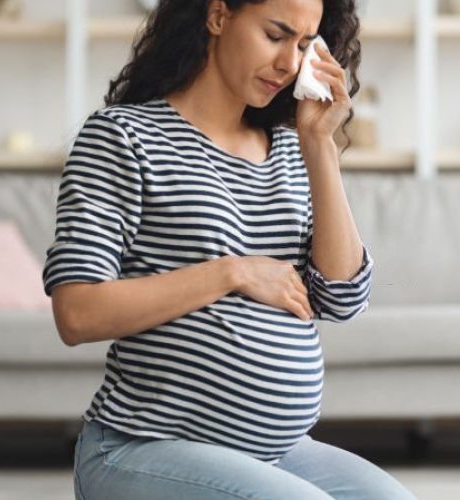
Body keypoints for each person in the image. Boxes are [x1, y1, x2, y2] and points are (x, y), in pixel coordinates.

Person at [43, 0, 417, 498]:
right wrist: (232, 273)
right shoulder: (122, 138)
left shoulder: (288, 150)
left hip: (272, 452)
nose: (289, 63)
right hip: (141, 446)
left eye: (304, 45)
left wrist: (319, 145)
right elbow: (77, 313)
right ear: (218, 16)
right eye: (276, 35)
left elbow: (343, 299)